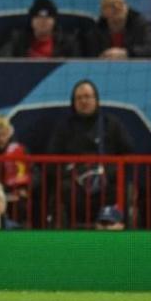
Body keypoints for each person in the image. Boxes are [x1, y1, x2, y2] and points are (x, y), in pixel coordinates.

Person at [47, 80, 134, 227]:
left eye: (87, 96)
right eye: (79, 98)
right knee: (63, 190)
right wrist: (74, 173)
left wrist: (108, 172)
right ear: (73, 102)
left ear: (96, 99)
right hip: (75, 187)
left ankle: (111, 227)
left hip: (107, 184)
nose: (83, 101)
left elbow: (129, 155)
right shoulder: (63, 127)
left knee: (119, 189)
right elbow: (51, 161)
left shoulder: (111, 124)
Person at [81, 0, 151, 58]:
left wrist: (127, 53)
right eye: (111, 5)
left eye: (120, 3)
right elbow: (89, 56)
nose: (117, 7)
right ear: (103, 11)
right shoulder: (95, 31)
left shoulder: (142, 24)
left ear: (126, 6)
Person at [0, 0, 80, 58]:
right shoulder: (17, 38)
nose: (43, 21)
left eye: (47, 17)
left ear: (54, 21)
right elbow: (2, 62)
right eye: (38, 17)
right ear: (31, 21)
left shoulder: (68, 42)